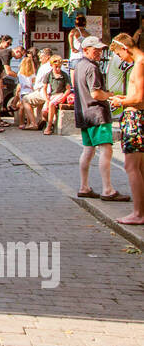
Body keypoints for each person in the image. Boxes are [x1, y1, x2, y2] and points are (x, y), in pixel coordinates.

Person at [73, 35, 128, 202]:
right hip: (97, 113)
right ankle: (107, 189)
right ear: (86, 50)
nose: (99, 52)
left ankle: (84, 187)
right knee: (106, 149)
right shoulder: (92, 68)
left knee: (88, 150)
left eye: (100, 49)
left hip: (84, 113)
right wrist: (110, 95)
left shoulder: (79, 65)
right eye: (95, 50)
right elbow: (96, 93)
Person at [108, 33, 144, 225]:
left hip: (135, 118)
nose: (121, 59)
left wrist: (120, 100)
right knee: (139, 167)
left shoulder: (139, 64)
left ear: (125, 49)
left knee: (131, 166)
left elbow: (138, 99)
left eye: (120, 55)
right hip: (137, 116)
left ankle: (138, 213)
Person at [42, 55, 73, 136]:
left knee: (52, 104)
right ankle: (50, 122)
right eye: (56, 67)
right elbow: (44, 88)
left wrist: (63, 97)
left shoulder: (64, 75)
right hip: (52, 95)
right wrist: (46, 98)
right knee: (44, 111)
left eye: (59, 67)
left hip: (60, 94)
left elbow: (68, 89)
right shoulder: (49, 75)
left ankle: (48, 127)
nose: (58, 69)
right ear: (51, 66)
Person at [22, 49, 53, 128]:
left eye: (41, 57)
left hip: (46, 91)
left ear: (47, 57)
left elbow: (37, 85)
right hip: (57, 92)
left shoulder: (44, 67)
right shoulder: (62, 65)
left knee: (25, 99)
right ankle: (40, 120)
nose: (40, 60)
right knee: (38, 100)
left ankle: (33, 123)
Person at [12, 53, 37, 129]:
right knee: (30, 109)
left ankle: (21, 123)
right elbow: (33, 84)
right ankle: (29, 123)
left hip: (23, 92)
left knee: (22, 108)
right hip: (30, 92)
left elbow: (19, 85)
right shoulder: (33, 74)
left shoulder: (20, 74)